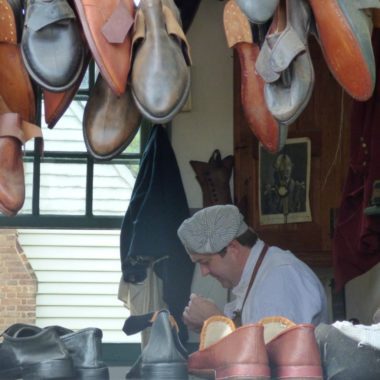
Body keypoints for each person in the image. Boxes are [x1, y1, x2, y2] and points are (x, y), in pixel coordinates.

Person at [177, 204, 328, 332]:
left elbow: (275, 358)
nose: (204, 272)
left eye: (206, 262)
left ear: (233, 248)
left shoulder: (279, 277)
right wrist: (208, 328)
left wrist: (215, 323)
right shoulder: (260, 275)